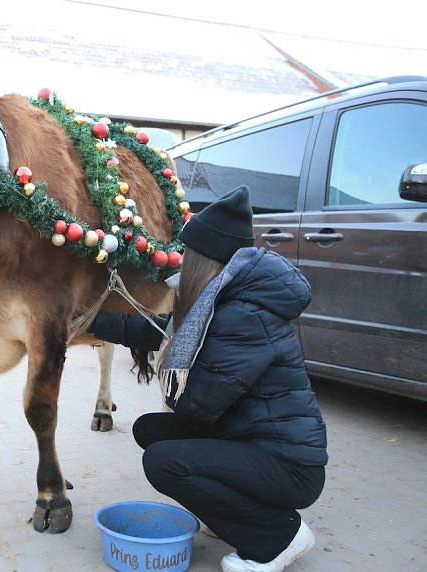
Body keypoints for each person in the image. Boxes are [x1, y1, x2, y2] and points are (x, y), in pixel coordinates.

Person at [89, 186, 327, 572]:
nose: (179, 264)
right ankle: (235, 513)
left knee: (163, 461)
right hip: (252, 441)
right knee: (151, 429)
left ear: (204, 260)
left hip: (288, 466)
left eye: (186, 256)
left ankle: (276, 537)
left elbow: (197, 404)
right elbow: (159, 329)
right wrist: (89, 322)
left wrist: (166, 357)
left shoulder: (243, 315)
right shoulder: (227, 300)